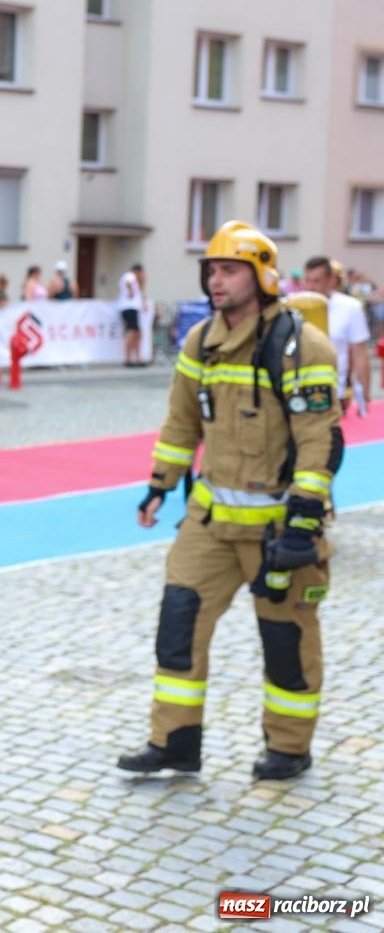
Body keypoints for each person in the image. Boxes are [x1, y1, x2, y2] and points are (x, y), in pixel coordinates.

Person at [121, 221, 341, 782]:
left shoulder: (301, 347)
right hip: (211, 526)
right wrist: (160, 483)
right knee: (178, 627)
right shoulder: (202, 342)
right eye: (211, 271)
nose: (216, 281)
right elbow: (181, 421)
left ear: (262, 275)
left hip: (279, 531)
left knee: (286, 640)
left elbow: (320, 437)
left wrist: (305, 519)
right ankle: (174, 742)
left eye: (229, 270)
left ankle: (290, 748)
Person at [304, 256, 371, 415]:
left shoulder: (350, 308)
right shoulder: (293, 307)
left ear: (331, 280)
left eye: (316, 280)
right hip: (299, 391)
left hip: (335, 393)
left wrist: (365, 394)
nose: (310, 286)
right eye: (308, 280)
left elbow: (360, 353)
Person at [118, 263, 146, 367]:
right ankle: (128, 358)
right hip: (129, 307)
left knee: (137, 333)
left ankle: (137, 358)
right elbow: (128, 282)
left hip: (133, 308)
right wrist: (130, 291)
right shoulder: (130, 275)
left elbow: (141, 291)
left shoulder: (137, 281)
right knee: (131, 331)